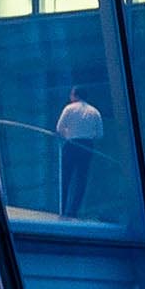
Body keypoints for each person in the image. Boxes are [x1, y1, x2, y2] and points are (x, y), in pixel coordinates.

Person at [54, 85, 105, 217]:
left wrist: (68, 134)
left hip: (71, 145)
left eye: (71, 94)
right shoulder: (95, 112)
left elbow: (59, 128)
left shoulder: (69, 109)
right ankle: (73, 211)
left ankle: (62, 208)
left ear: (75, 95)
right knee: (81, 179)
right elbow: (99, 134)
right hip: (87, 147)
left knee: (65, 177)